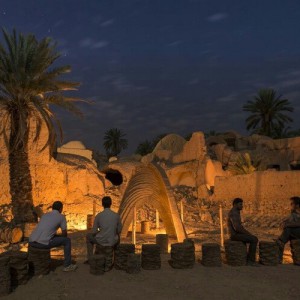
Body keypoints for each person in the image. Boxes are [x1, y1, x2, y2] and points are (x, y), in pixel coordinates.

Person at [29, 201, 77, 272]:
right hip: (42, 244)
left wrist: (54, 235)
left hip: (31, 241)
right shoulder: (61, 217)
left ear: (52, 208)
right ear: (61, 209)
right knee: (67, 241)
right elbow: (64, 235)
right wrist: (57, 236)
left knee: (53, 237)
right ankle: (67, 265)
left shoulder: (45, 215)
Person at [86, 196, 122, 269]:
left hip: (101, 240)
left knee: (88, 236)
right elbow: (119, 230)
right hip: (112, 241)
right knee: (118, 237)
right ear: (111, 204)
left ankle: (90, 258)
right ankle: (116, 259)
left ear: (102, 204)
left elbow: (94, 231)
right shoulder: (116, 215)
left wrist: (100, 232)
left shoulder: (99, 216)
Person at [227, 198, 259, 265]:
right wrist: (249, 234)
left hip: (236, 234)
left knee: (252, 237)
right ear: (235, 204)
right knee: (254, 239)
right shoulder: (233, 213)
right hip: (234, 235)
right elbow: (237, 228)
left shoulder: (236, 212)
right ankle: (250, 261)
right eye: (240, 204)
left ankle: (249, 259)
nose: (242, 206)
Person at [276, 196, 300, 263]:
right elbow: (289, 221)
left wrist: (287, 225)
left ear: (297, 205)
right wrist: (284, 223)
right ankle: (281, 241)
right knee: (288, 229)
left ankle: (281, 240)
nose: (290, 205)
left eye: (292, 204)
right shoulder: (294, 213)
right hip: (295, 233)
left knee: (288, 229)